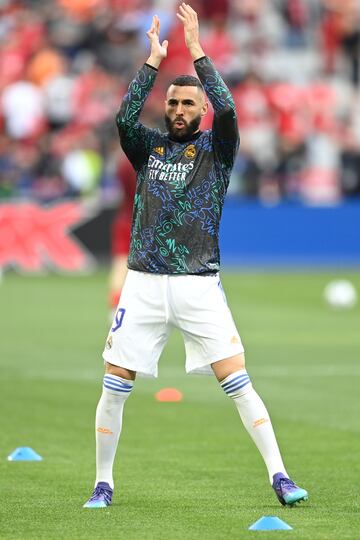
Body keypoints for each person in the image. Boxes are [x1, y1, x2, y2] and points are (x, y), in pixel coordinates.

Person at [83, 3, 308, 509]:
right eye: (174, 103)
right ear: (166, 108)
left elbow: (229, 108)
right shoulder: (147, 149)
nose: (181, 110)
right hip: (142, 284)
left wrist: (198, 50)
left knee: (237, 379)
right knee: (115, 385)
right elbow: (123, 116)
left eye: (189, 104)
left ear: (200, 111)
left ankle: (280, 475)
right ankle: (103, 481)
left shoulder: (217, 150)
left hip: (197, 284)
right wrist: (152, 62)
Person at [108, 154, 136, 317]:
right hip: (142, 221)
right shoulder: (150, 160)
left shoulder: (123, 164)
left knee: (120, 264)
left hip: (123, 217)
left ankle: (115, 308)